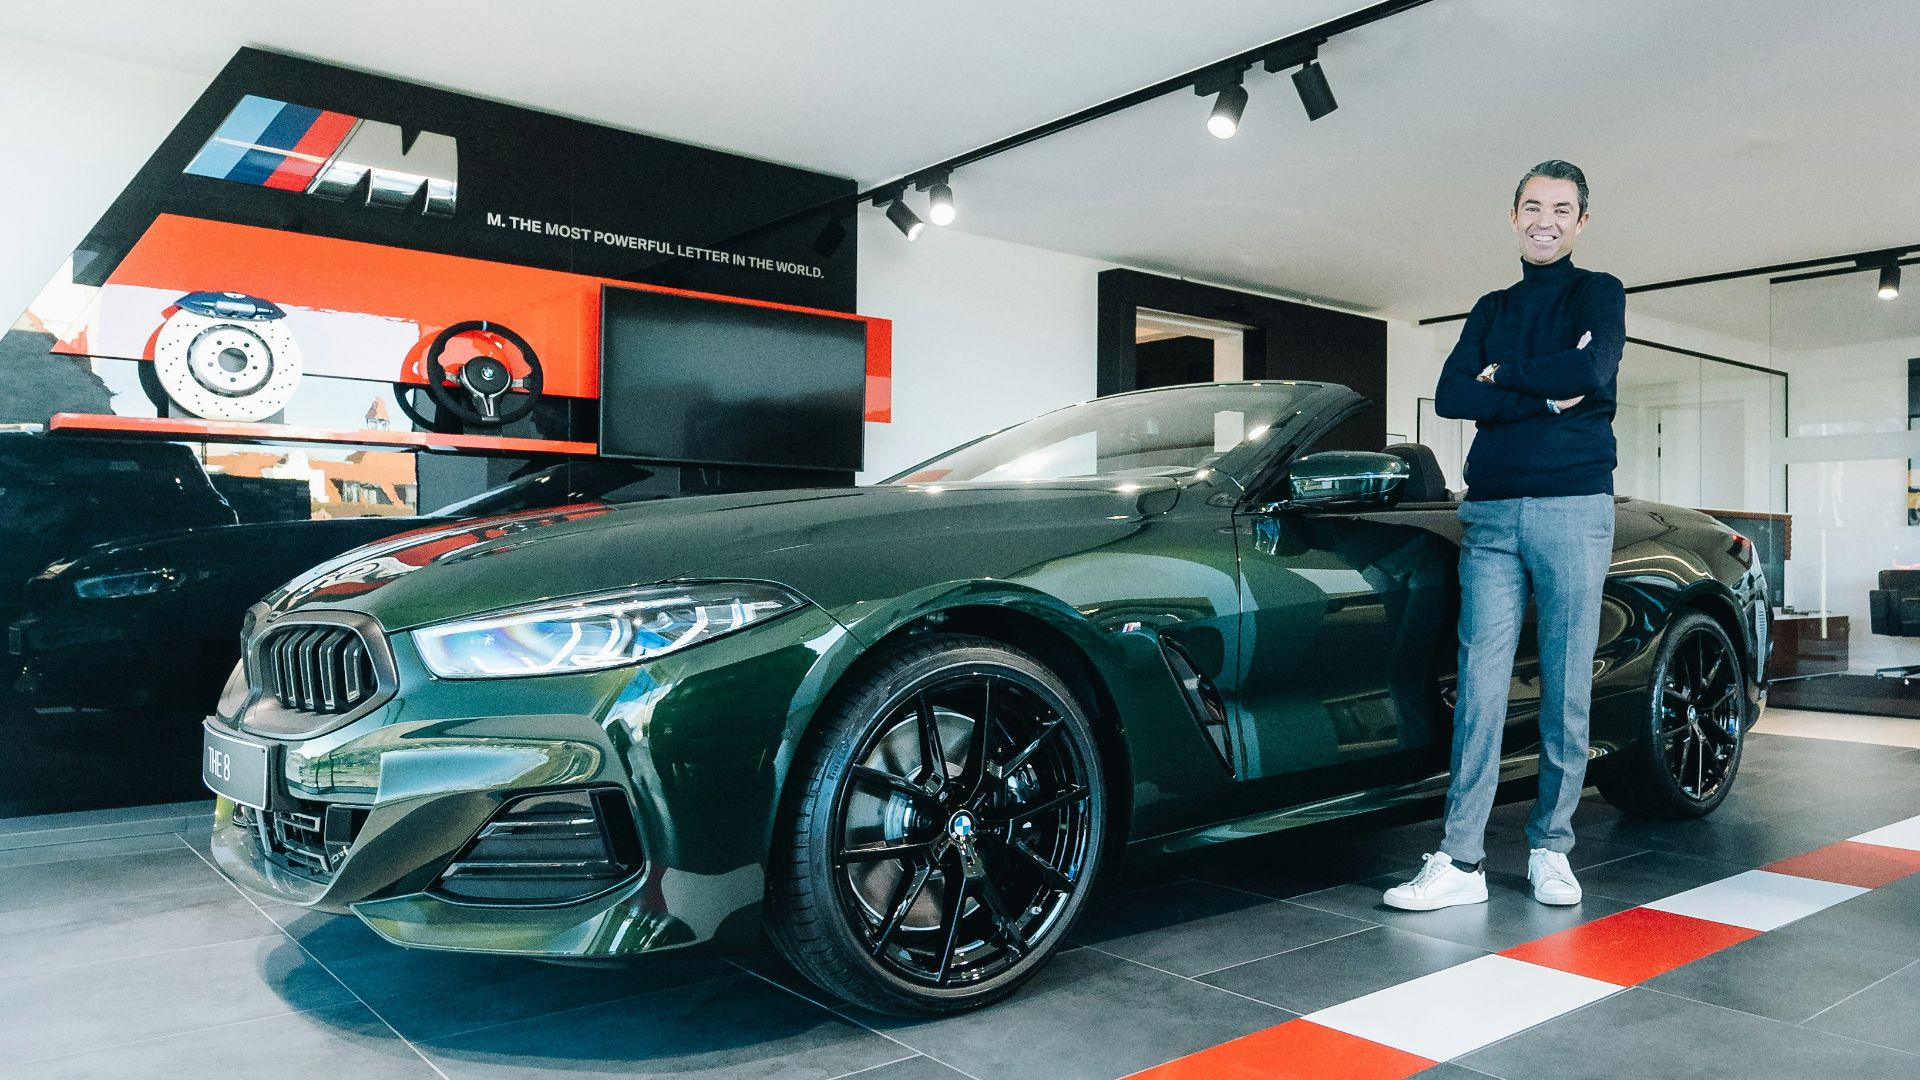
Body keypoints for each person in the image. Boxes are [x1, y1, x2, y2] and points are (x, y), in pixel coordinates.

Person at [1383, 159, 1625, 910]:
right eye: (1531, 206)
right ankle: (1460, 862)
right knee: (1480, 686)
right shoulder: (1491, 305)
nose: (1544, 219)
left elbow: (1596, 364)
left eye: (1560, 208)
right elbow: (1454, 395)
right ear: (1513, 216)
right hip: (1489, 515)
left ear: (1581, 221)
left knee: (1565, 683)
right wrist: (1548, 395)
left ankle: (1552, 847)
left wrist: (1502, 380)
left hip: (1572, 508)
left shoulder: (1599, 292)